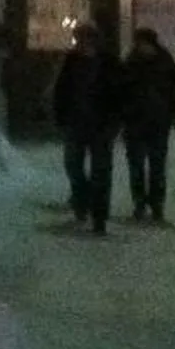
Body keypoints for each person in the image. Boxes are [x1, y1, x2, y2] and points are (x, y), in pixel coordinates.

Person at [50, 21, 121, 236]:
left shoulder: (109, 63)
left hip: (101, 126)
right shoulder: (71, 62)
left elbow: (121, 94)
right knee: (73, 166)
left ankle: (99, 216)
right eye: (78, 39)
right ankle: (82, 201)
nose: (81, 44)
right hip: (76, 123)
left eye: (84, 39)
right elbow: (61, 90)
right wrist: (60, 115)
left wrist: (115, 121)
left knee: (100, 172)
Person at [117, 26, 175, 225]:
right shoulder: (144, 62)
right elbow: (121, 93)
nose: (140, 47)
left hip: (156, 122)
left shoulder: (144, 62)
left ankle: (154, 206)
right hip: (140, 122)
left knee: (154, 166)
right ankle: (142, 204)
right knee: (139, 166)